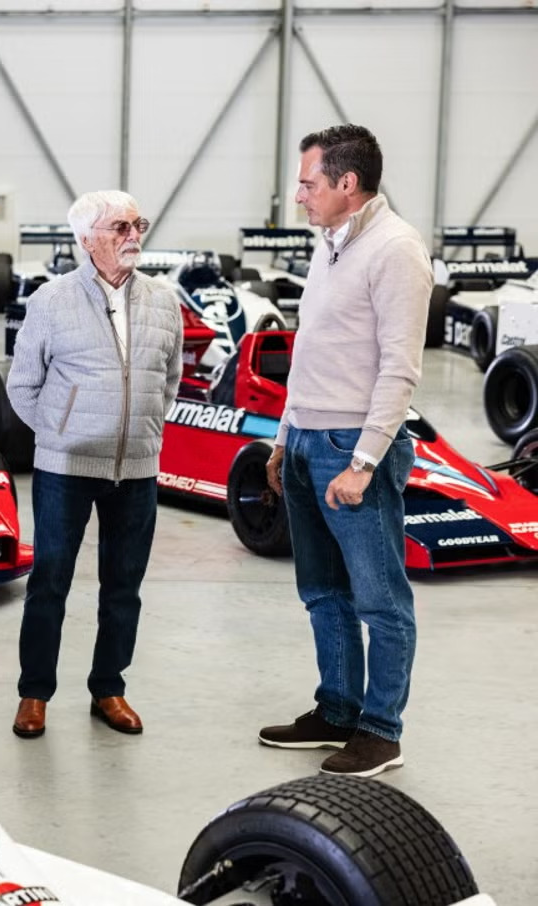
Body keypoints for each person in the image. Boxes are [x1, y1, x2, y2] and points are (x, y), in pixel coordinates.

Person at [259, 125, 433, 777]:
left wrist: (363, 463)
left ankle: (381, 733)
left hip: (353, 448)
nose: (298, 195)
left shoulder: (396, 249)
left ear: (346, 183)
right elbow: (310, 352)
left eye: (308, 183)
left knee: (380, 601)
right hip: (307, 439)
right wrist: (284, 438)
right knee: (322, 591)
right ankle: (336, 711)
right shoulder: (329, 244)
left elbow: (399, 368)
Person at [6, 190, 184, 739]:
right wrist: (62, 435)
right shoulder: (51, 300)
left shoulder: (164, 301)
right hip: (66, 468)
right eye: (119, 227)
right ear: (86, 240)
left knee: (124, 586)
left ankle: (109, 687)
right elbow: (23, 385)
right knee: (50, 582)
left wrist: (143, 429)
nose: (133, 236)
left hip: (137, 467)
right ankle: (34, 693)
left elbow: (169, 380)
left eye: (137, 224)